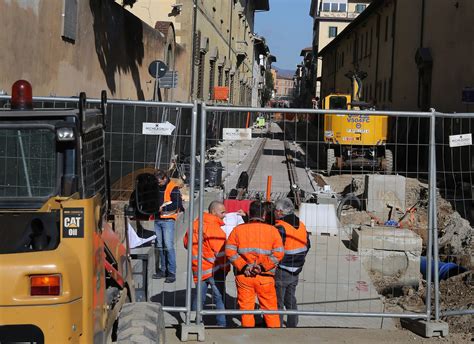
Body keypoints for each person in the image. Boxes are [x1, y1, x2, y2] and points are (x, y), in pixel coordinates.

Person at [225, 201, 284, 328]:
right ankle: (275, 337)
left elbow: (230, 251)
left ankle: (248, 336)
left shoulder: (238, 230)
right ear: (264, 215)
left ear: (249, 214)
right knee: (271, 311)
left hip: (244, 276)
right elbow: (279, 253)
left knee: (246, 311)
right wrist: (262, 267)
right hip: (265, 277)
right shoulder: (273, 231)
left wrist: (244, 266)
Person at [184, 201, 229, 326]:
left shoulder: (194, 225)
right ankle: (222, 325)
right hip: (215, 270)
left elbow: (186, 243)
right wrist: (226, 269)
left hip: (198, 268)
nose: (225, 215)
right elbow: (221, 254)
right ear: (214, 212)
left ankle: (194, 322)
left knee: (198, 298)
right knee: (219, 298)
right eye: (222, 212)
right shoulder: (215, 229)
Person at [273, 198, 311, 328]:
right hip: (296, 269)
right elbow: (308, 245)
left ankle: (276, 326)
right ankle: (292, 326)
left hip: (282, 269)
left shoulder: (281, 228)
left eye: (274, 211)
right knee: (290, 299)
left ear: (279, 212)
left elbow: (275, 249)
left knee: (278, 301)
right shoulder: (301, 225)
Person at [153, 170, 184, 283]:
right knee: (160, 245)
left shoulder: (173, 188)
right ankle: (163, 269)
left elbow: (178, 204)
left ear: (165, 178)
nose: (158, 184)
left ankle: (171, 272)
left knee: (168, 245)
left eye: (159, 182)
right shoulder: (156, 187)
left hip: (168, 220)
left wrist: (163, 209)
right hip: (157, 219)